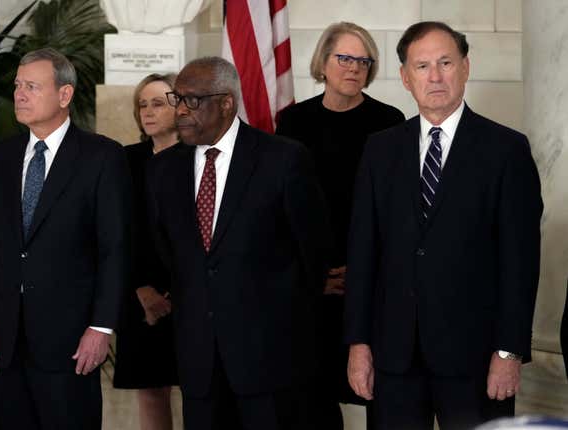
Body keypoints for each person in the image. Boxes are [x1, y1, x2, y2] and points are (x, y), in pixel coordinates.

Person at [344, 21, 543, 430]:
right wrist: (358, 344)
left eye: (445, 62)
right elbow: (363, 254)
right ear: (404, 77)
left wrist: (508, 352)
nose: (435, 76)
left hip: (475, 359)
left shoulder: (506, 150)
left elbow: (520, 261)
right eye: (422, 66)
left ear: (465, 68)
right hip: (394, 357)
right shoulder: (380, 150)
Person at [143, 56, 330, 430]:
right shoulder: (163, 170)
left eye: (191, 101)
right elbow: (168, 251)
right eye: (176, 98)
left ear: (226, 103)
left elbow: (313, 254)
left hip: (271, 363)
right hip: (199, 363)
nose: (180, 110)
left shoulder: (283, 159)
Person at [0, 48, 132, 429]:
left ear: (64, 95)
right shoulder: (0, 157)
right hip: (5, 340)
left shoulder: (102, 157)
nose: (19, 94)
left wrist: (102, 326)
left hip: (72, 342)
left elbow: (115, 249)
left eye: (32, 86)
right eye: (18, 85)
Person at [276, 22, 404, 430]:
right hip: (312, 282)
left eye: (363, 60)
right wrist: (315, 276)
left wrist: (362, 271)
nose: (354, 68)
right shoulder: (293, 121)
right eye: (344, 58)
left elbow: (396, 210)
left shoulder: (390, 121)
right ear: (323, 63)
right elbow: (284, 208)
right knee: (313, 398)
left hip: (373, 279)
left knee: (377, 392)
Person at [113, 73, 179, 430]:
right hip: (139, 293)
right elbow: (117, 233)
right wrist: (140, 288)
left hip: (191, 293)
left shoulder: (198, 157)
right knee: (151, 391)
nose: (148, 111)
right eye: (143, 104)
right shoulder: (125, 160)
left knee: (204, 390)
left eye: (158, 103)